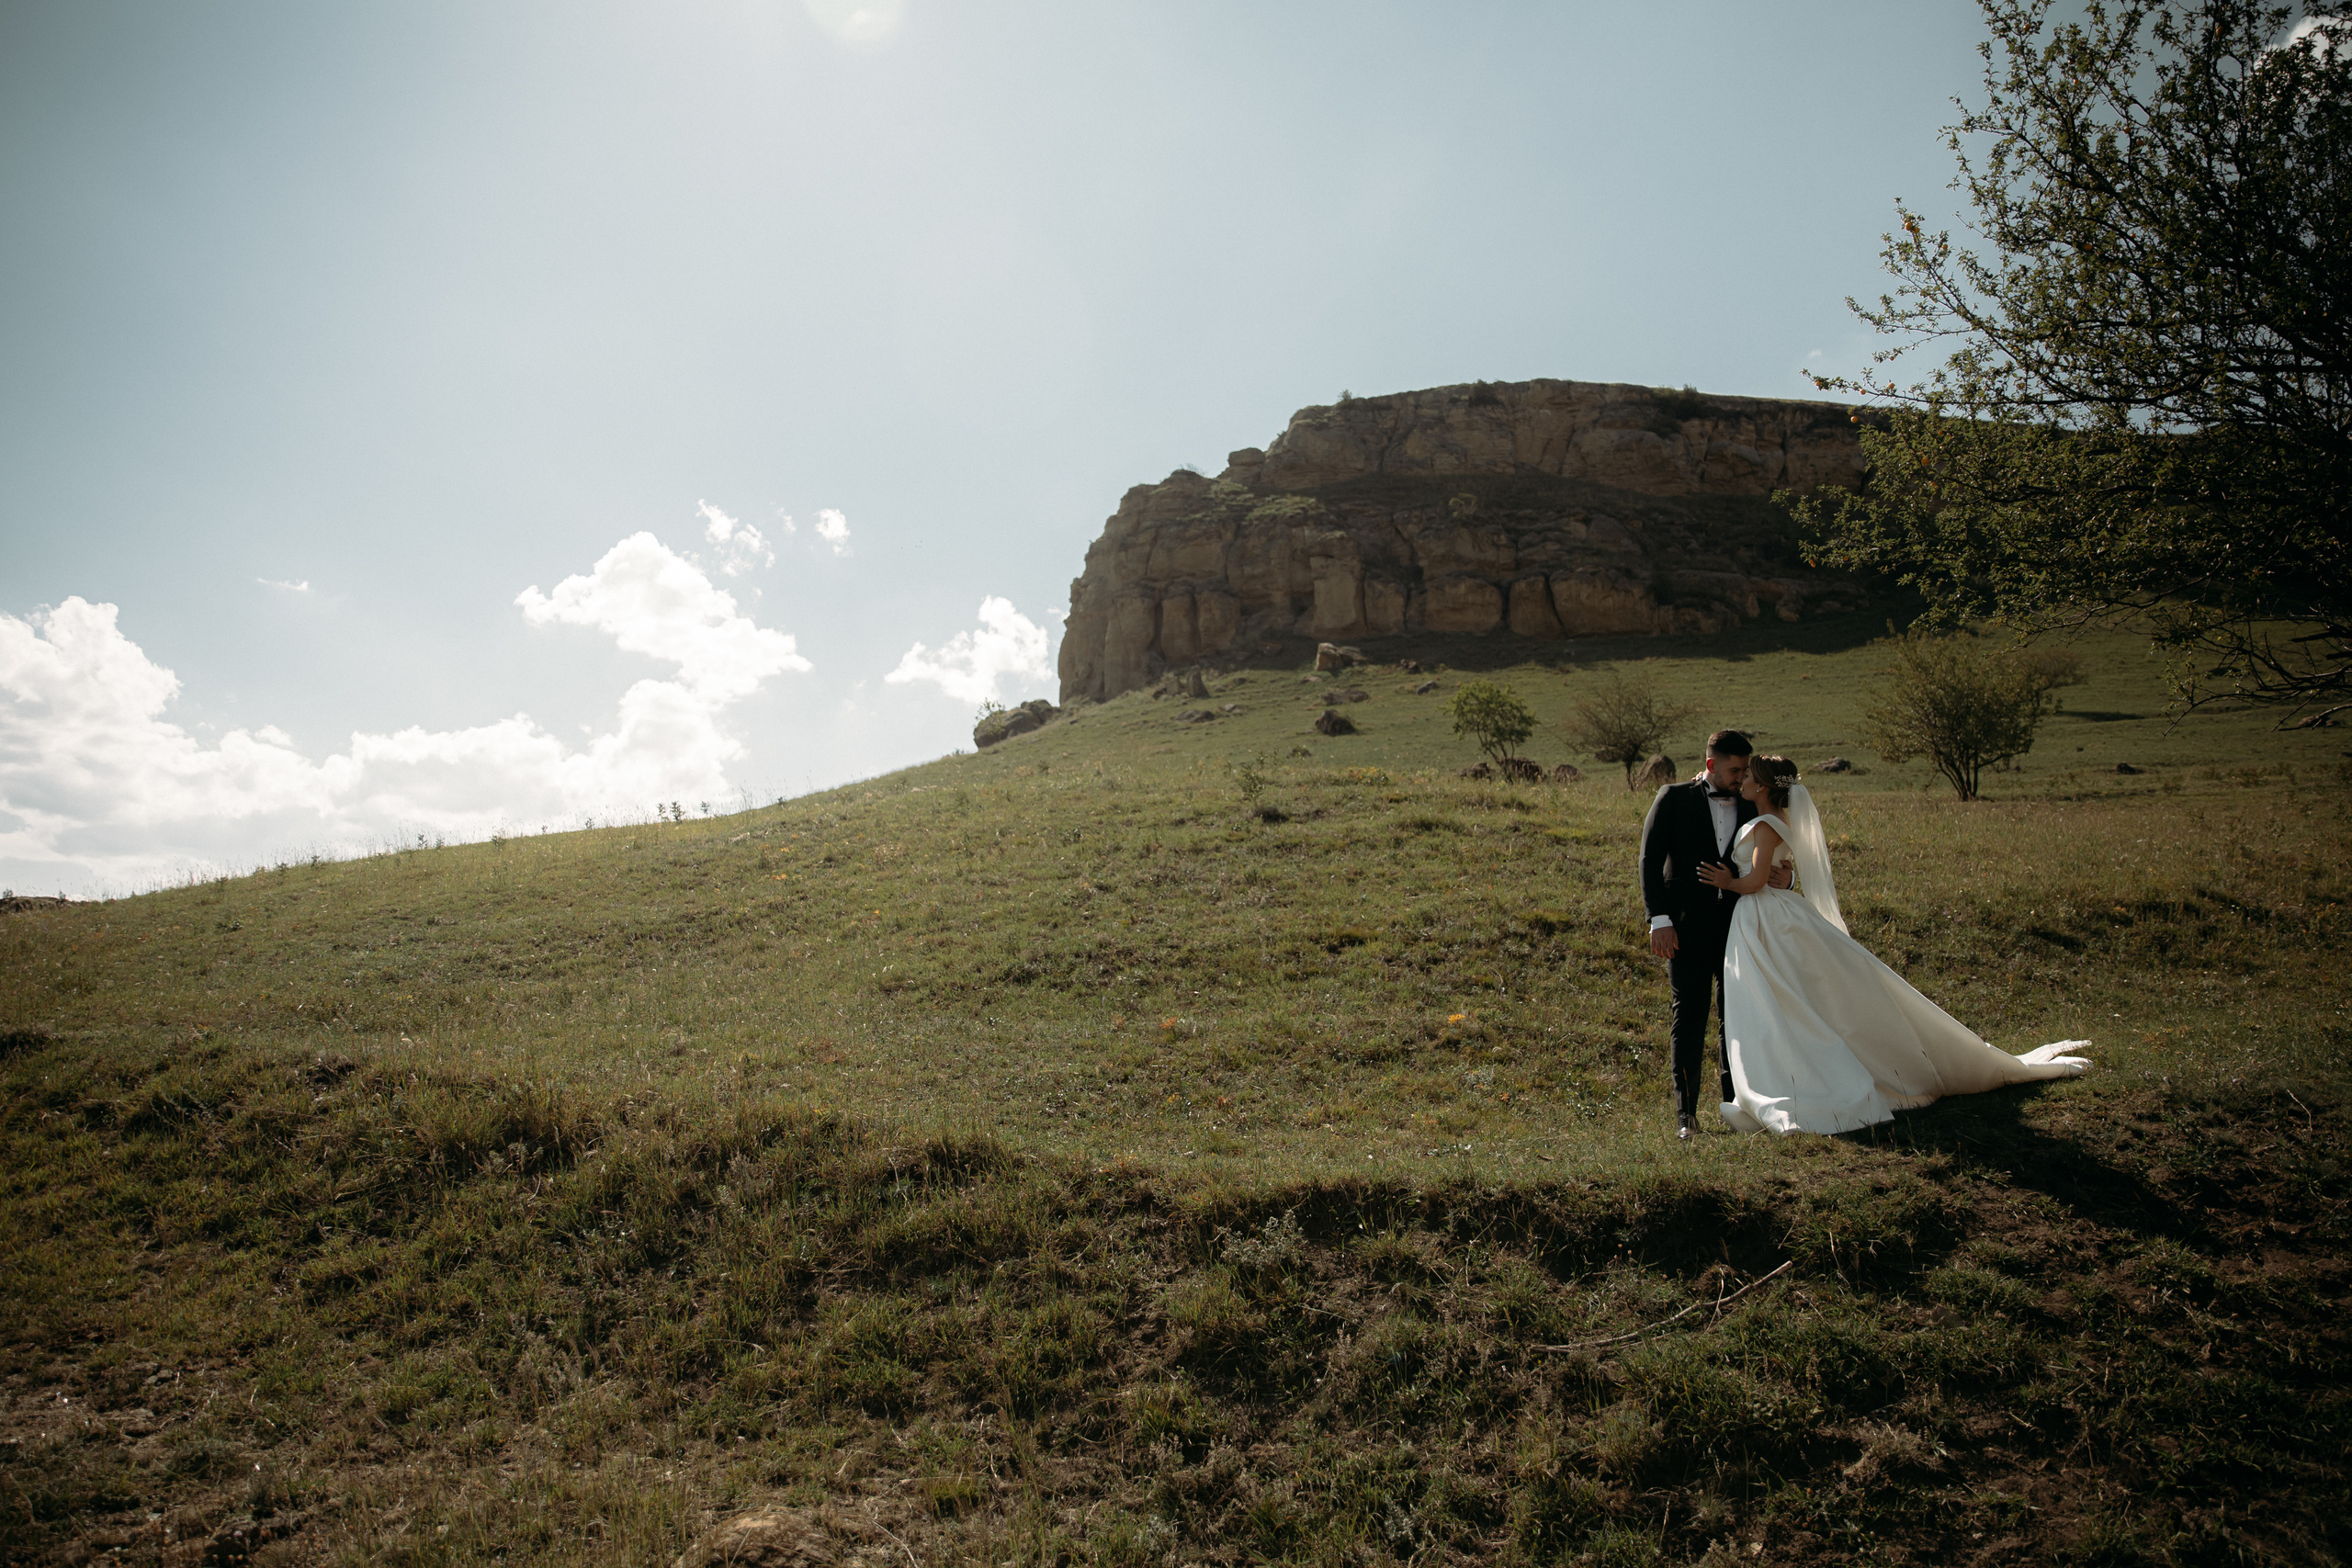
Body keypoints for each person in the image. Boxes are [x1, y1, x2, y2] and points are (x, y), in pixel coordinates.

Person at [1696, 755, 2089, 1135]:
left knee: (1775, 997)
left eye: (1749, 776)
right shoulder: (1777, 820)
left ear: (1763, 786)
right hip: (1772, 915)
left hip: (1765, 916)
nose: (1743, 780)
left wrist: (1727, 882)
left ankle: (1799, 1079)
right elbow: (1777, 871)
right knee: (1786, 996)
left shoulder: (1765, 824)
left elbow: (1757, 880)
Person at [1638, 730, 1792, 1142]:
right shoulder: (1672, 798)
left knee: (1736, 1017)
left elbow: (1780, 852)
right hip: (1684, 928)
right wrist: (1659, 919)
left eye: (1745, 771)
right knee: (1689, 1016)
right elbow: (1650, 861)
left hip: (1739, 927)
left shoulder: (1753, 801)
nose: (1742, 777)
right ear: (1711, 765)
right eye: (1735, 770)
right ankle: (1686, 1115)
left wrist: (1788, 878)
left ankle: (1736, 1106)